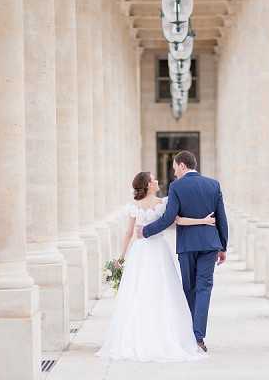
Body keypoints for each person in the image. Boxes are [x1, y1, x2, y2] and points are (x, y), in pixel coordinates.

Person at [96, 171, 215, 362]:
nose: (158, 181)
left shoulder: (159, 203)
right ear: (148, 184)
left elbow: (130, 233)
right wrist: (121, 257)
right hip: (152, 250)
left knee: (153, 292)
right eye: (154, 179)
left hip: (144, 250)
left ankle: (150, 335)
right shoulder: (160, 204)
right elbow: (175, 222)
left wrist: (123, 255)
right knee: (148, 292)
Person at [136, 150, 228, 353]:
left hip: (187, 246)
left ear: (183, 166)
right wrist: (223, 246)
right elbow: (222, 217)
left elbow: (169, 218)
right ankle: (198, 337)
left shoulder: (177, 186)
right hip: (210, 244)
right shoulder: (213, 185)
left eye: (175, 167)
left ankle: (188, 334)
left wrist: (146, 231)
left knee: (189, 288)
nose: (174, 171)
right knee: (204, 288)